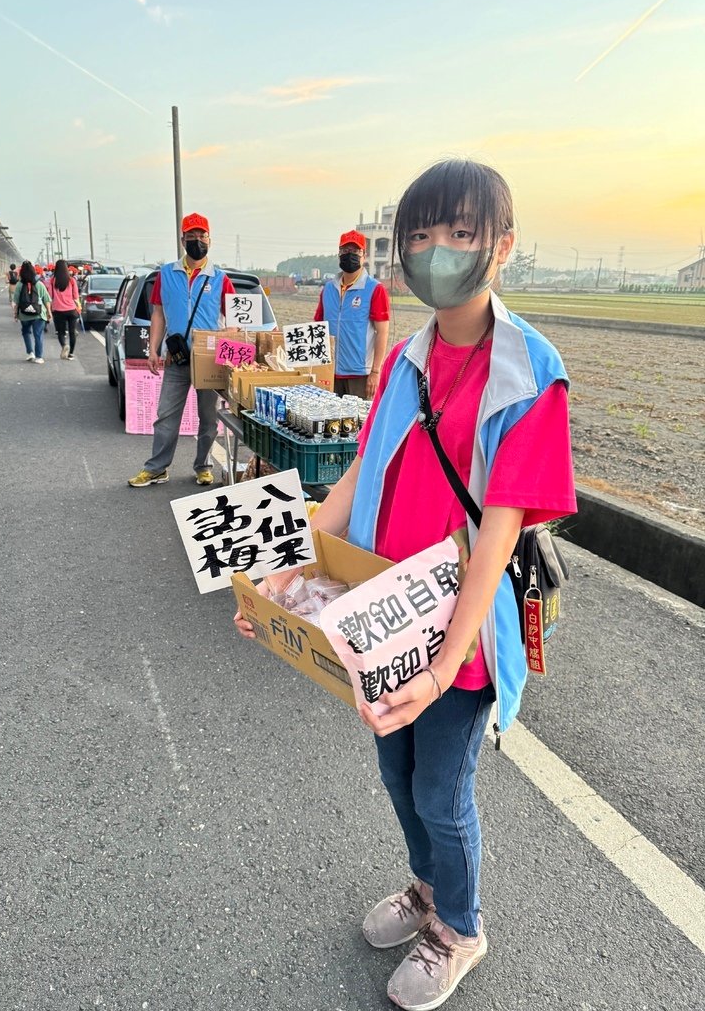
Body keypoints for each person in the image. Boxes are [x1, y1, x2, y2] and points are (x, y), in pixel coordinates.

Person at [235, 159, 577, 1009]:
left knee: (440, 785)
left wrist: (438, 669)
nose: (437, 251)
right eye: (418, 236)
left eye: (460, 233)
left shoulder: (532, 371)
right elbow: (355, 480)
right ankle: (425, 888)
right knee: (394, 771)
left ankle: (459, 926)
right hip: (382, 609)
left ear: (502, 245)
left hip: (456, 627)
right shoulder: (407, 363)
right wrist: (279, 575)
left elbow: (495, 544)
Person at [128, 212, 236, 488]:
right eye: (191, 236)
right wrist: (152, 349)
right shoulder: (167, 274)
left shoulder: (221, 279)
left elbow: (236, 324)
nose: (197, 241)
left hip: (210, 362)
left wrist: (226, 346)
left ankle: (203, 466)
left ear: (210, 239)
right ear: (182, 239)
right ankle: (157, 468)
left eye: (202, 236)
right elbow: (158, 314)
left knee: (209, 419)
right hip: (176, 359)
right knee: (166, 415)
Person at [314, 230, 390, 399]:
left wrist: (375, 372)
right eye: (345, 251)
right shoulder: (328, 289)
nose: (350, 255)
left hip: (360, 374)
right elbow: (317, 327)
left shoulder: (374, 289)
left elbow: (382, 332)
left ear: (364, 255)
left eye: (355, 251)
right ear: (339, 254)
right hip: (330, 371)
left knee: (358, 423)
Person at [12, 260, 52, 363]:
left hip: (24, 314)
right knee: (38, 334)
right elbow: (46, 300)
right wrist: (49, 312)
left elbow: (15, 301)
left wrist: (15, 314)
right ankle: (39, 357)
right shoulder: (39, 284)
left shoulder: (19, 285)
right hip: (38, 314)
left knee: (26, 332)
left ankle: (30, 353)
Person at [49, 258, 81, 360]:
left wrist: (49, 310)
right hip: (71, 309)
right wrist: (79, 306)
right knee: (72, 332)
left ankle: (64, 345)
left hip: (58, 310)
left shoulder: (52, 281)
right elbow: (75, 296)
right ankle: (71, 354)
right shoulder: (72, 280)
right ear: (66, 268)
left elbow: (50, 296)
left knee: (61, 332)